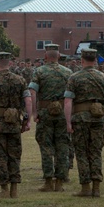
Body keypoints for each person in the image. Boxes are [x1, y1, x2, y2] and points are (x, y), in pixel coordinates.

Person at [64, 49, 104, 198]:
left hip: (80, 119)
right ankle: (97, 187)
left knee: (81, 152)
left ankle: (85, 188)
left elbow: (68, 101)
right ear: (95, 60)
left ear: (82, 60)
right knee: (96, 152)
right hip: (98, 119)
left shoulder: (74, 77)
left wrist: (68, 122)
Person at [0, 52, 32, 199]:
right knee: (15, 155)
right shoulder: (20, 80)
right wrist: (27, 121)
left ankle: (4, 189)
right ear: (10, 64)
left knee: (0, 156)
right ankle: (14, 189)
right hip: (14, 123)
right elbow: (28, 101)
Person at [28, 43, 72, 192]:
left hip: (45, 112)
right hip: (62, 113)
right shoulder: (68, 72)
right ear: (59, 56)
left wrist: (35, 112)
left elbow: (32, 92)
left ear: (45, 56)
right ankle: (59, 181)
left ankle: (48, 181)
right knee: (62, 146)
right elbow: (72, 96)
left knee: (46, 147)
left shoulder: (39, 71)